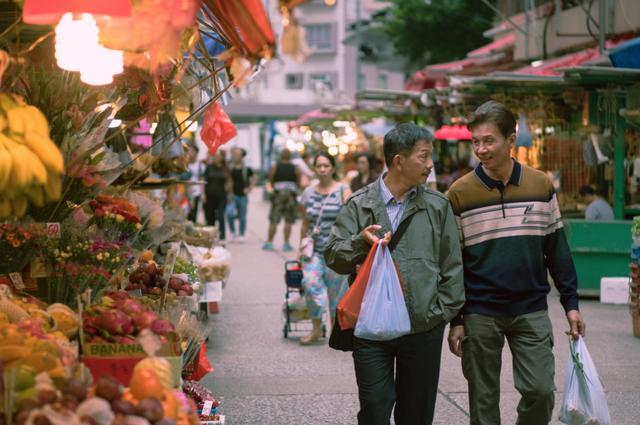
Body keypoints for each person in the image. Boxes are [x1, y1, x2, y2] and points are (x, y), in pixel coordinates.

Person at [446, 101, 586, 425]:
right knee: (483, 403)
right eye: (475, 141)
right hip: (480, 311)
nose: (481, 149)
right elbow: (453, 262)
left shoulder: (540, 185)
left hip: (531, 307)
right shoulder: (458, 193)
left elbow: (557, 250)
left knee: (540, 392)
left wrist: (572, 303)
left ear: (511, 140)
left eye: (489, 140)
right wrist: (456, 318)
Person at [324, 123, 465, 425]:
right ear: (399, 160)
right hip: (371, 325)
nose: (431, 165)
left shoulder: (438, 206)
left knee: (416, 413)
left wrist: (441, 314)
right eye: (424, 157)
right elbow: (334, 257)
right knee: (375, 406)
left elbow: (453, 265)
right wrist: (358, 242)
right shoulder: (359, 204)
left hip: (422, 326)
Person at [298, 152, 351, 345]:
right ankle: (316, 327)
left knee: (337, 294)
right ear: (314, 169)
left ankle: (334, 331)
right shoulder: (308, 193)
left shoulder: (343, 190)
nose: (322, 169)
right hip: (314, 251)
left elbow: (350, 221)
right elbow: (305, 222)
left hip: (337, 251)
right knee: (311, 284)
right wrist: (300, 248)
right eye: (319, 166)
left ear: (333, 168)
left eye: (326, 166)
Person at [264, 149, 300, 251]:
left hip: (278, 195)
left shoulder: (275, 167)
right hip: (291, 195)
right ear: (290, 156)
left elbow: (270, 181)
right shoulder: (295, 168)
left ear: (281, 156)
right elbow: (299, 183)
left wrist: (272, 191)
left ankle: (269, 242)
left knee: (274, 220)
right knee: (288, 220)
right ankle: (286, 243)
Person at [227, 147, 255, 243]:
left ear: (242, 157)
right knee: (229, 213)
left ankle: (241, 234)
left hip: (243, 195)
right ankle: (232, 232)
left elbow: (255, 177)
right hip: (232, 195)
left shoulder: (246, 169)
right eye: (234, 154)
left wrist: (249, 188)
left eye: (237, 154)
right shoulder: (230, 167)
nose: (235, 156)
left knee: (242, 216)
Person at [203, 150, 231, 240]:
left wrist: (229, 193)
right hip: (210, 196)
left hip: (221, 196)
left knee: (221, 215)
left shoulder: (225, 168)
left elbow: (229, 181)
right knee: (210, 217)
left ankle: (222, 238)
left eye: (218, 156)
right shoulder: (209, 167)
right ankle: (211, 237)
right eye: (214, 155)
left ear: (222, 158)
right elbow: (203, 181)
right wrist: (203, 194)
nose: (216, 157)